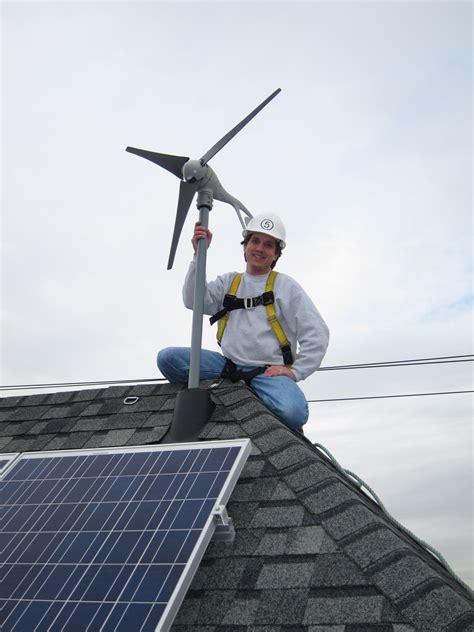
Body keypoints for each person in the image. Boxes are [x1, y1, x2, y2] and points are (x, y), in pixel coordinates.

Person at [157, 213, 329, 431]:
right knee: (168, 358)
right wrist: (198, 254)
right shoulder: (230, 281)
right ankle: (238, 388)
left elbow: (317, 333)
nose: (259, 248)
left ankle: (253, 391)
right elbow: (193, 300)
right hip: (226, 366)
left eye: (268, 245)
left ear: (276, 255)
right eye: (254, 241)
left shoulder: (286, 287)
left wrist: (296, 371)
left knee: (293, 412)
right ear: (245, 246)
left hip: (267, 373)